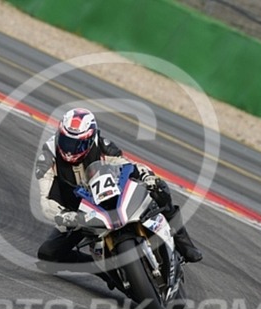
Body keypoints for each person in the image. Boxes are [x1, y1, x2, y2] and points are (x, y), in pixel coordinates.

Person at [35, 108, 202, 281]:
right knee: (47, 255)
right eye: (66, 141)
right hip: (78, 214)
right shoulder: (48, 156)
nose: (70, 150)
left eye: (77, 144)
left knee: (159, 189)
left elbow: (128, 166)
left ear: (90, 139)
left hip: (108, 198)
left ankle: (183, 243)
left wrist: (147, 176)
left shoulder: (102, 145)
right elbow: (45, 200)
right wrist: (64, 215)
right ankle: (101, 270)